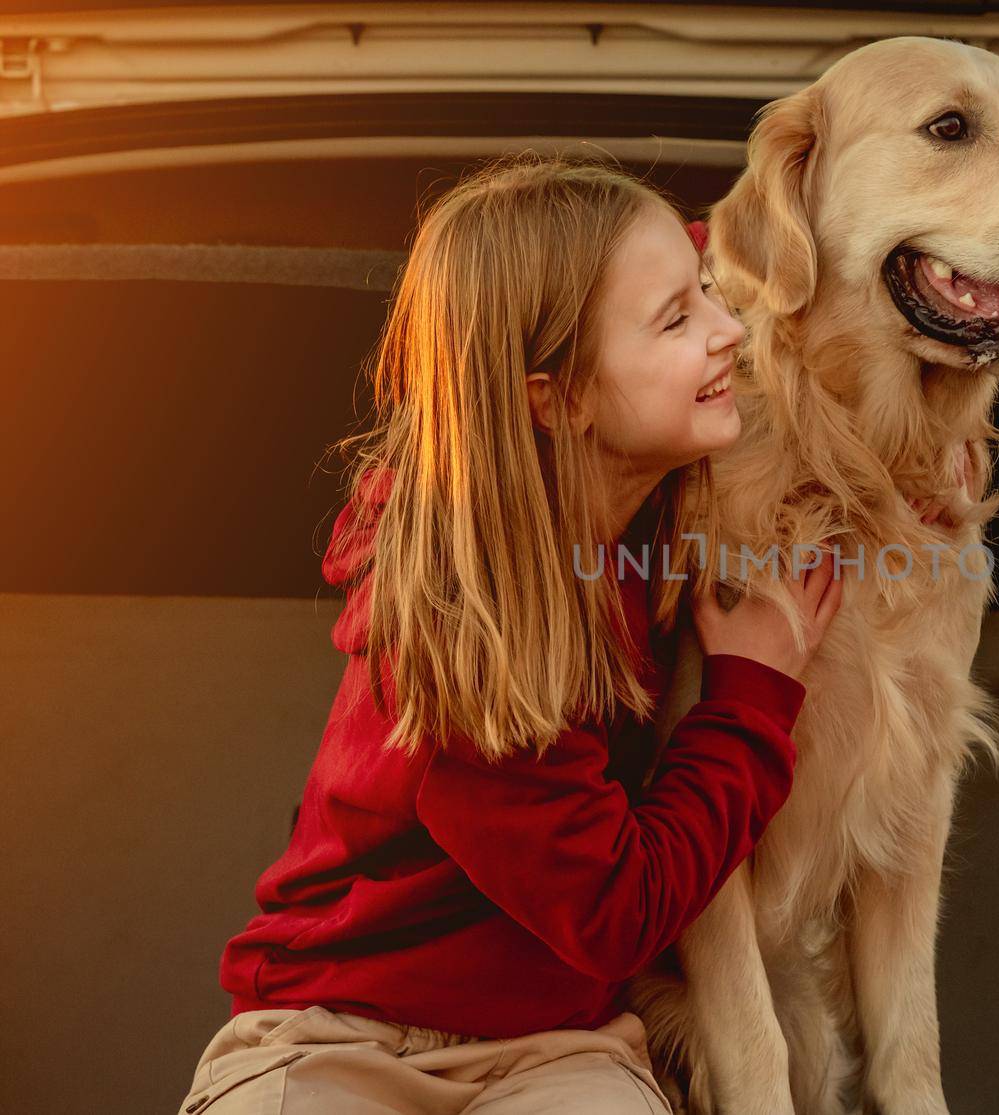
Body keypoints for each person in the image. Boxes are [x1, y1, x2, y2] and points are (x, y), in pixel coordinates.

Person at [176, 155, 845, 1115]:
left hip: (559, 1051)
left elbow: (750, 293)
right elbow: (616, 913)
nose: (729, 329)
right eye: (678, 318)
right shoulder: (463, 622)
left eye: (707, 292)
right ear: (558, 399)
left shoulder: (650, 493)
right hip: (336, 1031)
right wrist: (748, 698)